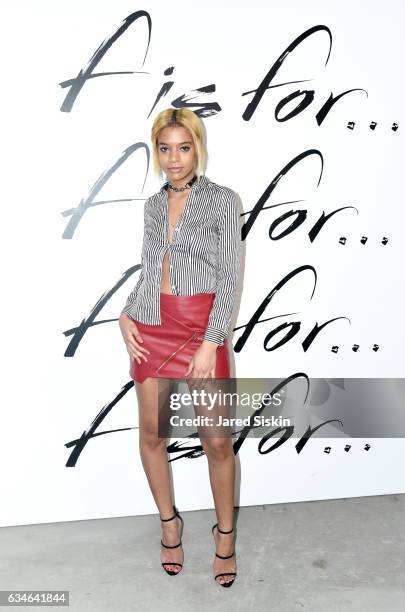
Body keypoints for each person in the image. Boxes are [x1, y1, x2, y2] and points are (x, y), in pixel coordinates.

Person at [118, 108, 241, 587]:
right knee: (153, 434)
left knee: (216, 441)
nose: (174, 158)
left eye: (183, 147)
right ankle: (170, 526)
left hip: (201, 329)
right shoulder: (151, 205)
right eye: (165, 148)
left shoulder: (223, 200)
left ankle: (225, 536)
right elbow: (150, 270)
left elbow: (229, 275)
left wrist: (212, 341)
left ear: (198, 147)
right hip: (150, 326)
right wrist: (126, 313)